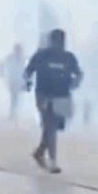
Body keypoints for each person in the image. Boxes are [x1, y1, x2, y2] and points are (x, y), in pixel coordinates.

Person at [24, 29, 83, 174]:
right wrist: (28, 82)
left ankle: (39, 152)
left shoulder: (69, 58)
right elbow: (28, 71)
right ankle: (53, 161)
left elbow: (79, 73)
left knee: (54, 128)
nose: (58, 44)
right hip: (44, 94)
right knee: (50, 124)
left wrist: (77, 81)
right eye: (56, 41)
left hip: (63, 96)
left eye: (61, 41)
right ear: (51, 41)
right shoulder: (41, 55)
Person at [0, 43, 27, 121]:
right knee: (14, 96)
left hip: (20, 80)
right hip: (12, 80)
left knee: (16, 97)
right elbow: (1, 63)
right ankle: (13, 113)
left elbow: (26, 68)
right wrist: (1, 73)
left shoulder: (23, 58)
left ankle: (15, 112)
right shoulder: (10, 57)